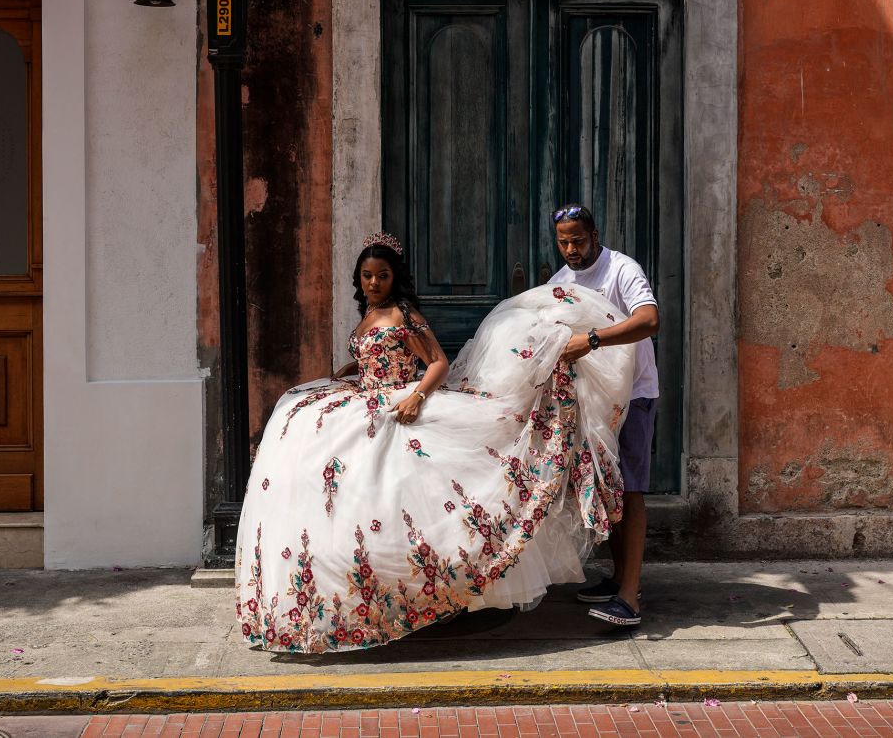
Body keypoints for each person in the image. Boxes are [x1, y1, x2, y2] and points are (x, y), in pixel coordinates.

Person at [233, 231, 636, 653]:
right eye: (367, 276)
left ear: (395, 277)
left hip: (400, 401)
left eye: (382, 276)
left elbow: (438, 363)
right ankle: (349, 596)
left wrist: (416, 397)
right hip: (364, 397)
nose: (374, 283)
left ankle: (424, 590)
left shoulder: (404, 314)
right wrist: (355, 365)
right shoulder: (371, 311)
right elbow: (379, 351)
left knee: (402, 498)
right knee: (326, 470)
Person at [547, 204, 660, 628]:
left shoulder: (621, 270)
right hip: (592, 401)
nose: (572, 249)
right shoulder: (560, 280)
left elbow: (649, 320)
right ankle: (618, 579)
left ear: (595, 234)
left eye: (578, 239)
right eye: (563, 242)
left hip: (634, 395)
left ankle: (629, 600)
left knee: (630, 490)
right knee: (609, 488)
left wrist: (592, 340)